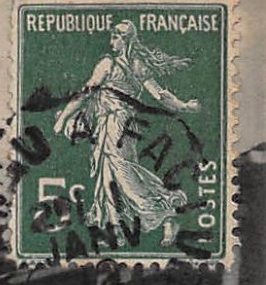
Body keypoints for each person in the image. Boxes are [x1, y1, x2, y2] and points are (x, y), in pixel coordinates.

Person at [51, 20, 201, 245]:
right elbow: (161, 95)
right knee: (112, 175)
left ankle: (165, 214)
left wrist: (63, 118)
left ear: (126, 39)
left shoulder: (107, 64)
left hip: (115, 123)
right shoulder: (138, 65)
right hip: (126, 125)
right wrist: (184, 106)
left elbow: (86, 93)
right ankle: (117, 228)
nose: (112, 39)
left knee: (121, 173)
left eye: (116, 35)